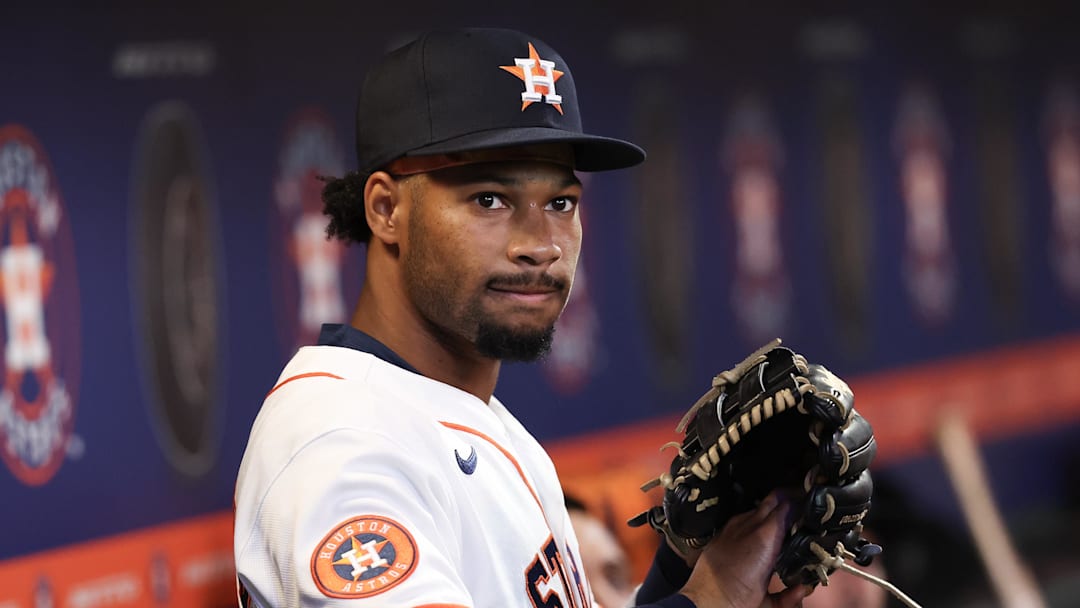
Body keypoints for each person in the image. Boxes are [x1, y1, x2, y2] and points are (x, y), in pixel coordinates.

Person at [233, 27, 811, 607]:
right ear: (387, 209)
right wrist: (713, 601)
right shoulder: (341, 443)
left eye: (560, 203)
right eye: (490, 199)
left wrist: (686, 566)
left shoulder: (471, 421)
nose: (542, 244)